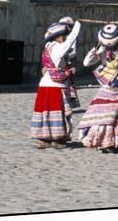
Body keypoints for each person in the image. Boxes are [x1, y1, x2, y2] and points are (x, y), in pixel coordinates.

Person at [77, 24, 118, 152]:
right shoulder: (101, 50)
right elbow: (86, 63)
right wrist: (92, 54)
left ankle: (116, 139)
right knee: (104, 110)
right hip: (108, 82)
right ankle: (104, 139)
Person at [30, 20, 82, 149]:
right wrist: (77, 26)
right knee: (58, 111)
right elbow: (71, 41)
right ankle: (58, 139)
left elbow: (70, 50)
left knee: (45, 111)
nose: (64, 38)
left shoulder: (48, 47)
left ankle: (44, 138)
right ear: (57, 36)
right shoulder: (58, 48)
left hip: (44, 85)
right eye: (63, 35)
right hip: (55, 86)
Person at [58, 16, 81, 108]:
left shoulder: (71, 39)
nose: (68, 28)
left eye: (70, 26)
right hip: (58, 66)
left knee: (68, 85)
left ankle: (67, 104)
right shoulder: (57, 38)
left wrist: (72, 62)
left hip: (67, 65)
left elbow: (74, 53)